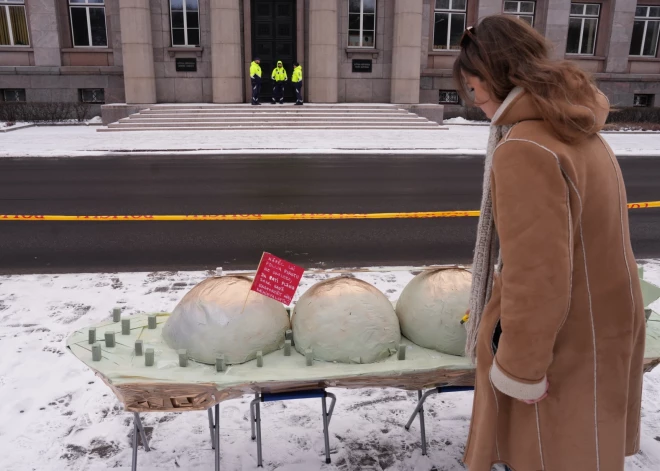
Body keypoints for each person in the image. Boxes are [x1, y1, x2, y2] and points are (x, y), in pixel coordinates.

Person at [455, 16, 646, 471]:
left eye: (472, 84)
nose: (473, 98)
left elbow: (536, 276)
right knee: (585, 450)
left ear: (495, 75)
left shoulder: (525, 147)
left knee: (546, 454)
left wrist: (521, 368)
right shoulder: (579, 128)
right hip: (604, 324)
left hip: (560, 341)